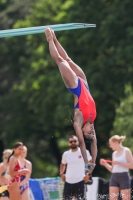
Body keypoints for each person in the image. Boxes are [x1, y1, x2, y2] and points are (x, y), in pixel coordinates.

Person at [44, 28, 97, 174]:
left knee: (60, 61)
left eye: (89, 133)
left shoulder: (79, 121)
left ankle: (49, 38)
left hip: (75, 87)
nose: (92, 131)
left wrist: (87, 163)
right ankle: (54, 38)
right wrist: (94, 161)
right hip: (85, 84)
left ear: (83, 131)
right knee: (68, 60)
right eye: (93, 133)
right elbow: (94, 146)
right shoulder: (91, 122)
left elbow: (82, 143)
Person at [100, 135, 133, 200]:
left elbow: (132, 165)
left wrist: (119, 163)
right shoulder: (114, 154)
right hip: (114, 177)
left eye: (110, 144)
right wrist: (105, 164)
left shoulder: (126, 151)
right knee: (112, 198)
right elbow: (113, 170)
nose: (110, 146)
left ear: (115, 142)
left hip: (124, 177)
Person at [60, 135, 92, 200]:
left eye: (75, 141)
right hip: (68, 181)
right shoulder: (66, 154)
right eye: (71, 141)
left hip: (80, 180)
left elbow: (90, 163)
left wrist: (88, 174)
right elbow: (63, 165)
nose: (73, 143)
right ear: (68, 143)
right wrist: (61, 174)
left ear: (78, 142)